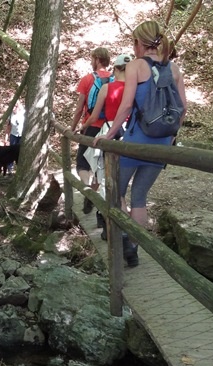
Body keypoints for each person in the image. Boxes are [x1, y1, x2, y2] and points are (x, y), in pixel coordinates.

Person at [94, 21, 187, 267]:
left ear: (139, 43)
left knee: (118, 192)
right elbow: (183, 109)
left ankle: (122, 236)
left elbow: (126, 106)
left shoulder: (135, 66)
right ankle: (133, 247)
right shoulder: (175, 68)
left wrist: (109, 135)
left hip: (136, 140)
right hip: (162, 144)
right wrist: (171, 138)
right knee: (140, 197)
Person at [82, 53, 132, 238]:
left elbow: (94, 116)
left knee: (104, 177)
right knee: (122, 182)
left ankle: (105, 220)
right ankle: (127, 238)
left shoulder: (107, 88)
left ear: (115, 69)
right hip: (130, 135)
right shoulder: (134, 89)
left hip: (110, 131)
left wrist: (83, 127)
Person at [70, 47, 112, 214]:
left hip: (91, 127)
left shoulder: (87, 79)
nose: (90, 61)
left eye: (92, 58)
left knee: (82, 163)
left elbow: (80, 108)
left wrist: (73, 128)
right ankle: (93, 194)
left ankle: (87, 190)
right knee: (100, 165)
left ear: (96, 59)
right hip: (109, 128)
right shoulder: (115, 78)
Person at [4, 101, 25, 174]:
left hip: (22, 135)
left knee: (21, 152)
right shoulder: (10, 115)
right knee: (11, 152)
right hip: (13, 135)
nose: (14, 108)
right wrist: (6, 139)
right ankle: (10, 170)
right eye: (12, 106)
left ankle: (21, 169)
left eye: (15, 106)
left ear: (18, 106)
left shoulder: (24, 113)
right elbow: (8, 128)